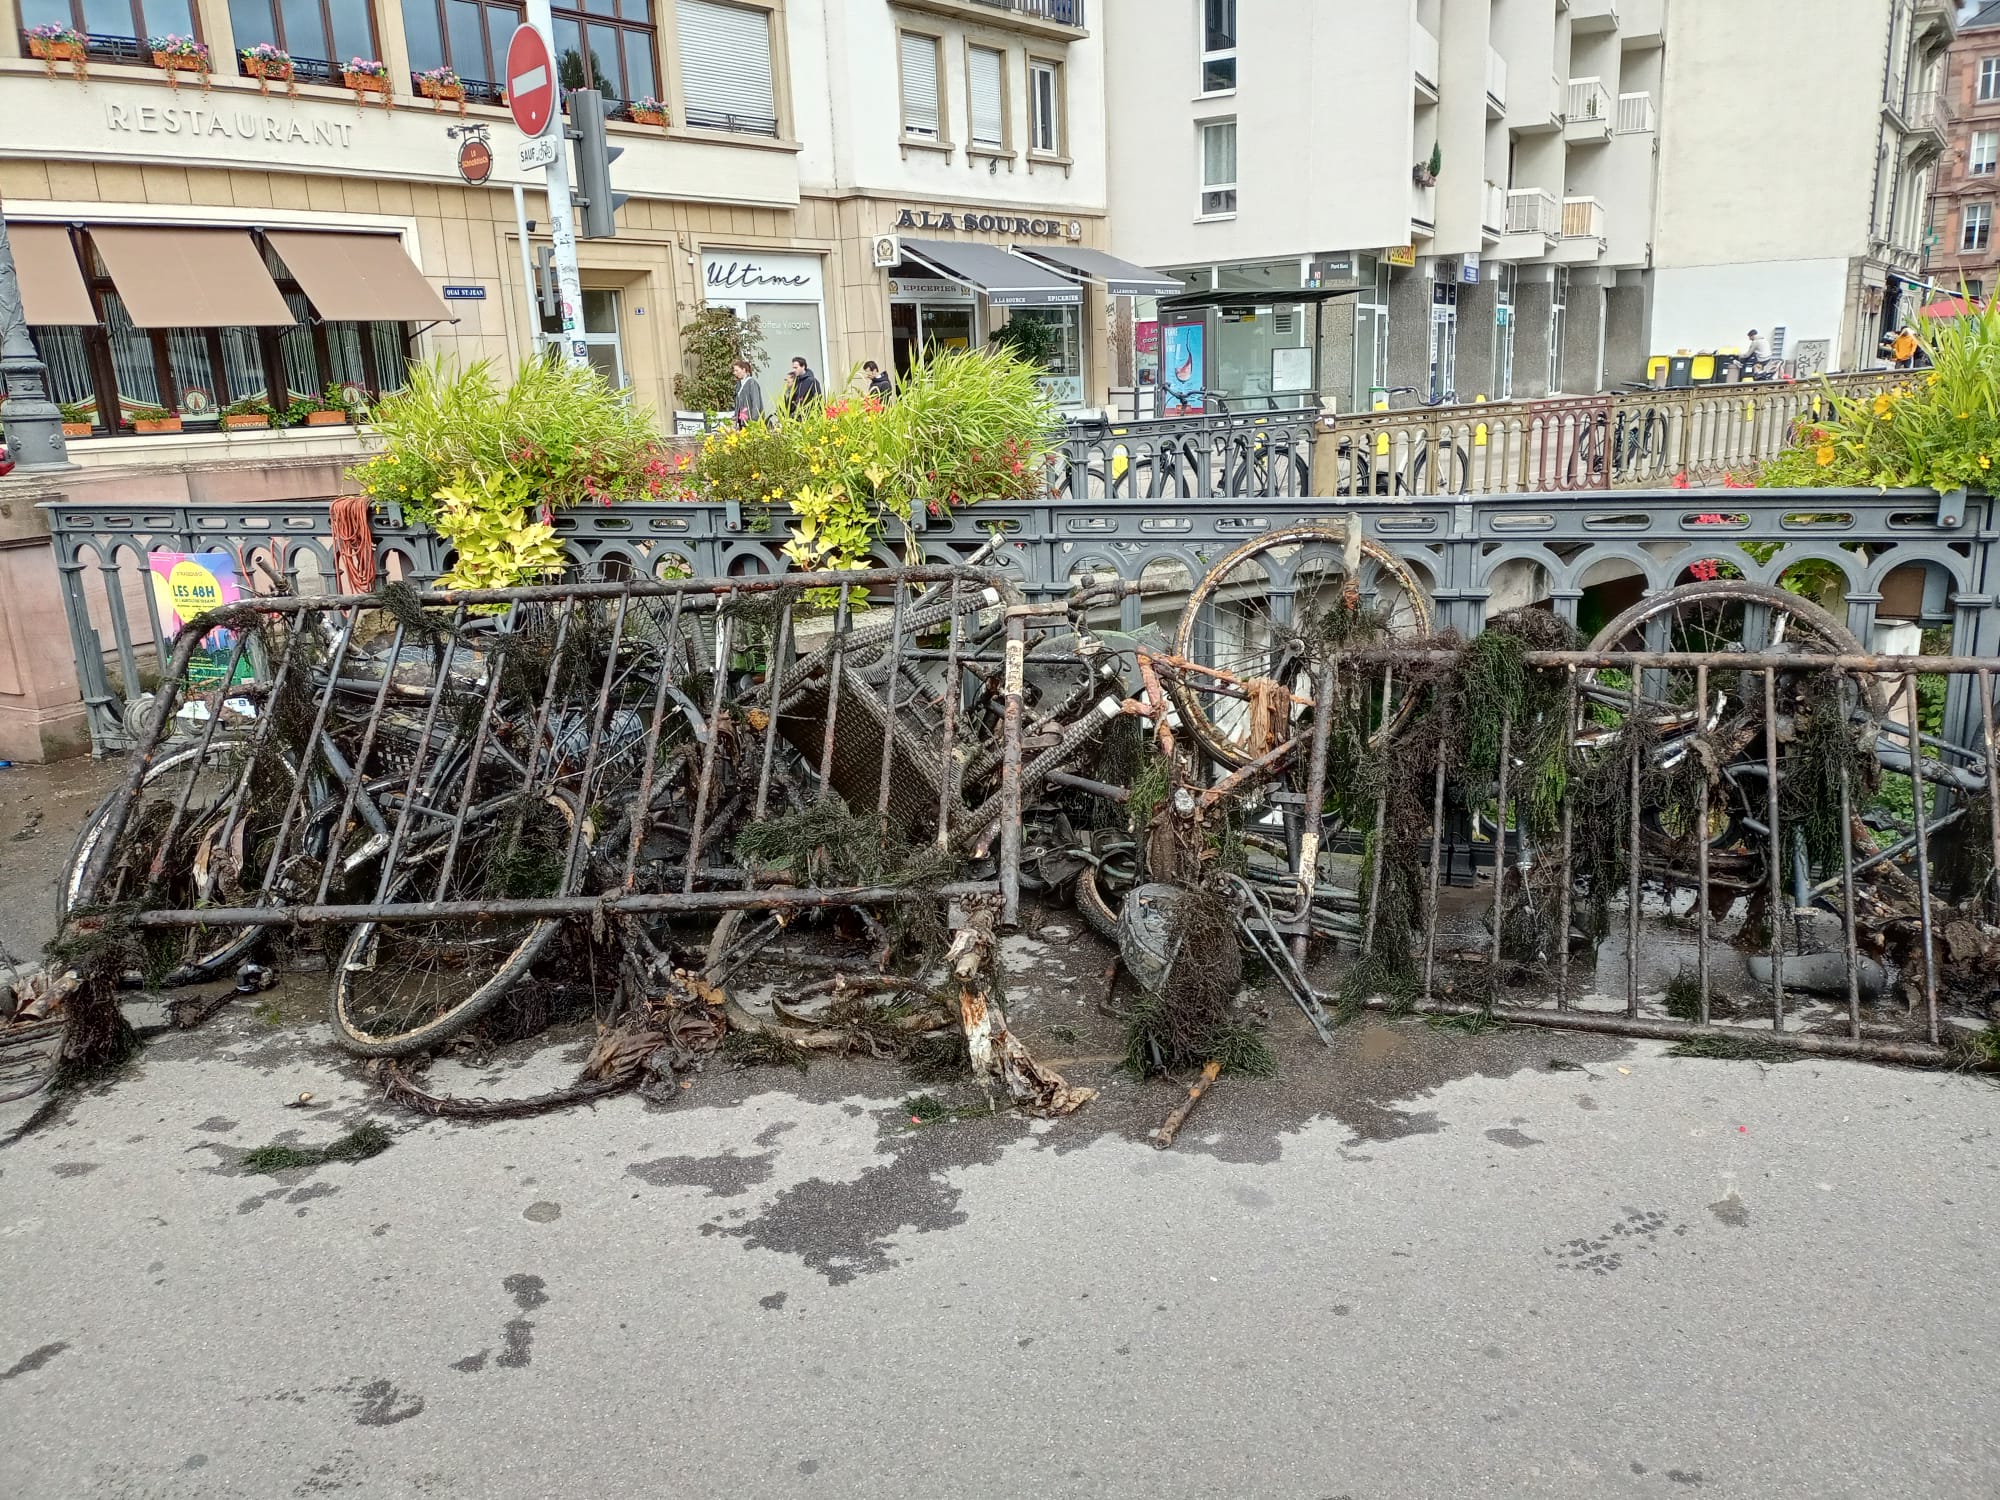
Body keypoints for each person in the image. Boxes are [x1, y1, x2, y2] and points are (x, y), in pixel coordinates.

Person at [731, 358, 764, 426]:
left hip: (750, 420)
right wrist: (735, 417)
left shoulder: (751, 383)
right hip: (741, 420)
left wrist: (754, 420)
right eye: (734, 371)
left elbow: (756, 402)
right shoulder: (739, 384)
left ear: (744, 370)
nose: (735, 373)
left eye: (737, 370)